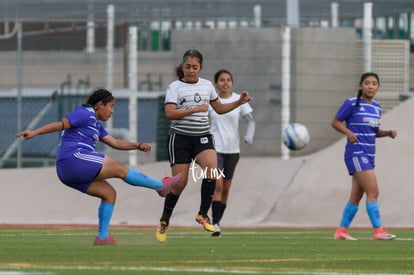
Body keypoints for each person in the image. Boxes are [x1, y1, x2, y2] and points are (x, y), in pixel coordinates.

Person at [16, 88, 181, 246]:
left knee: (109, 194)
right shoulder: (84, 113)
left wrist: (137, 145)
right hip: (72, 159)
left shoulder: (96, 124)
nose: (112, 111)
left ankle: (102, 237)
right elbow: (60, 124)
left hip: (67, 171)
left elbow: (115, 142)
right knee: (118, 168)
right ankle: (161, 185)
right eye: (111, 106)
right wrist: (35, 132)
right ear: (100, 105)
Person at [155, 49, 252, 243]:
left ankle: (202, 214)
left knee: (212, 170)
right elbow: (170, 113)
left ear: (201, 68)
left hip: (202, 136)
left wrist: (238, 102)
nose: (191, 71)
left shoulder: (207, 85)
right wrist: (194, 109)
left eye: (195, 67)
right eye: (188, 67)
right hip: (180, 138)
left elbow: (219, 108)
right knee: (179, 184)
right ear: (183, 66)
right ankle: (164, 220)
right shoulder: (174, 87)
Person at [331, 72, 396, 241]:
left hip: (369, 154)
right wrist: (348, 132)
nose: (370, 86)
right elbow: (335, 122)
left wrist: (386, 133)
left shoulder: (377, 107)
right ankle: (378, 231)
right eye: (367, 83)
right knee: (373, 191)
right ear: (360, 86)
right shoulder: (352, 103)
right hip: (356, 153)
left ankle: (341, 231)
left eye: (374, 83)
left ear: (378, 87)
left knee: (356, 196)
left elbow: (373, 132)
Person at [208, 69, 255, 237]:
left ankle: (218, 221)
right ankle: (214, 223)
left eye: (228, 80)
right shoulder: (211, 101)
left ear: (232, 83)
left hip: (233, 150)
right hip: (215, 148)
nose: (225, 83)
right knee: (218, 184)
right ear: (216, 83)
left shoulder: (238, 100)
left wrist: (249, 136)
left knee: (226, 188)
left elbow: (250, 121)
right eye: (222, 80)